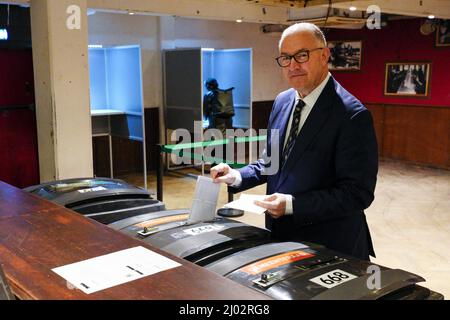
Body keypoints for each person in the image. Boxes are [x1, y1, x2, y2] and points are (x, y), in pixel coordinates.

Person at [211, 23, 378, 260]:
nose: (293, 65)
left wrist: (292, 205)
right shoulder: (282, 101)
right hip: (281, 236)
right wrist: (237, 175)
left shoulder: (352, 115)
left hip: (330, 246)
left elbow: (357, 193)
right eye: (286, 58)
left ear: (324, 55)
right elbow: (272, 162)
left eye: (302, 55)